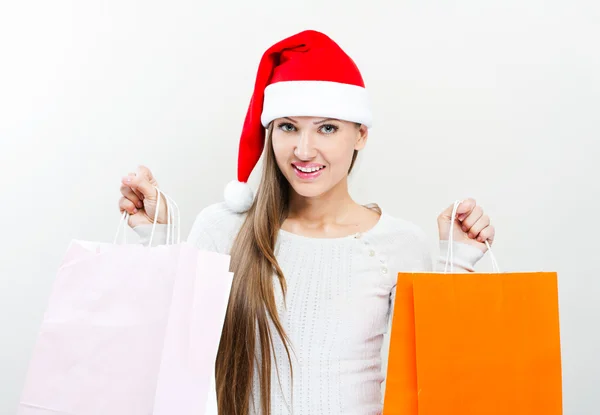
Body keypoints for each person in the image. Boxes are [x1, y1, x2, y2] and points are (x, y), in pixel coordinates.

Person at [118, 30, 495, 415]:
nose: (303, 149)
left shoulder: (399, 243)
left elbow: (431, 375)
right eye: (288, 127)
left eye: (327, 128)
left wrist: (457, 261)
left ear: (361, 134)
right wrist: (157, 237)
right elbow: (170, 351)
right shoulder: (224, 228)